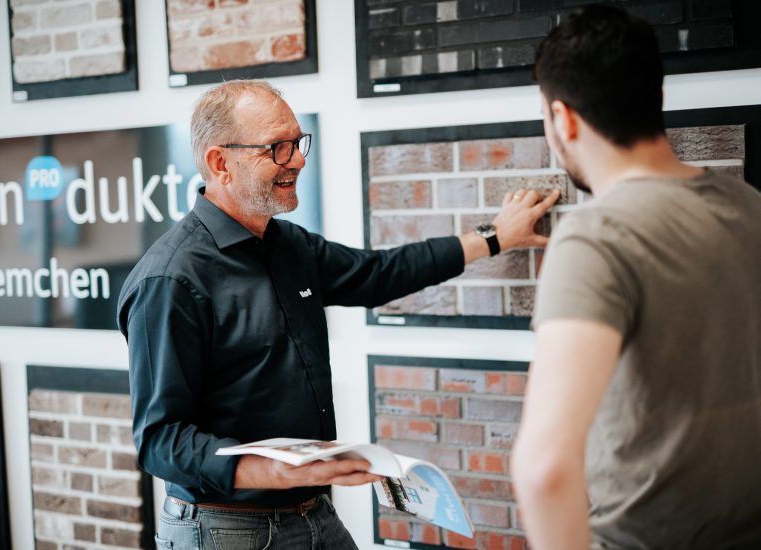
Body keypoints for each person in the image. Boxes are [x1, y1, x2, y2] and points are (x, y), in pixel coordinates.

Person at [117, 79, 559, 549]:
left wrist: (495, 238)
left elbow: (381, 273)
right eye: (277, 149)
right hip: (224, 528)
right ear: (220, 163)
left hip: (311, 512)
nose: (298, 161)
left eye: (297, 142)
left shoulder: (288, 245)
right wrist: (276, 471)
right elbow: (161, 441)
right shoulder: (169, 281)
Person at [511, 5, 761, 550]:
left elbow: (545, 469)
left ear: (564, 120)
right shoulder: (752, 207)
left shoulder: (596, 237)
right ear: (657, 98)